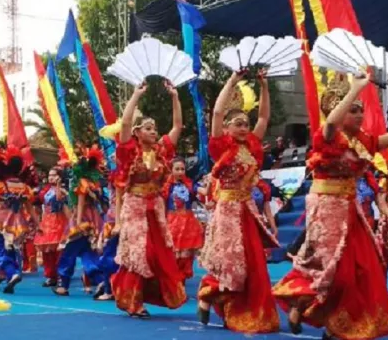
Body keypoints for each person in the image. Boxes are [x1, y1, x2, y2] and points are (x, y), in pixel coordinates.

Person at [273, 72, 388, 340]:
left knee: (363, 270)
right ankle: (301, 305)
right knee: (332, 270)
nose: (359, 115)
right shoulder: (327, 136)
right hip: (327, 209)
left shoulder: (364, 140)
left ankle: (339, 327)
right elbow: (332, 123)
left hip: (351, 209)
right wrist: (354, 90)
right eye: (353, 109)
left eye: (361, 110)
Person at [197, 70, 280, 333]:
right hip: (227, 211)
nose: (244, 127)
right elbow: (218, 113)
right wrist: (232, 80)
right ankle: (209, 293)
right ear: (227, 129)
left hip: (247, 210)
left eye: (246, 123)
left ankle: (246, 309)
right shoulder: (220, 146)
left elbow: (265, 116)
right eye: (239, 124)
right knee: (231, 261)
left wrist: (264, 85)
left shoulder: (252, 146)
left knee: (253, 262)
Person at [111, 80, 187, 318]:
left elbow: (177, 126)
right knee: (138, 253)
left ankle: (139, 293)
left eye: (155, 129)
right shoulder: (128, 152)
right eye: (148, 128)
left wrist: (175, 97)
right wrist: (136, 95)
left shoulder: (161, 151)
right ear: (136, 133)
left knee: (157, 253)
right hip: (134, 206)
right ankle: (133, 301)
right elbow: (124, 122)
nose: (154, 132)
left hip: (155, 208)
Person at [0, 146, 38, 294]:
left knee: (0, 248)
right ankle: (6, 275)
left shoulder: (0, 185)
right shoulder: (23, 186)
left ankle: (12, 273)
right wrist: (37, 223)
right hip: (18, 221)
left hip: (1, 220)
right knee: (13, 248)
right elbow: (30, 206)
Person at [52, 145, 105, 297]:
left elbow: (80, 203)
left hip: (82, 219)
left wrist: (78, 223)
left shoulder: (81, 182)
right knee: (87, 252)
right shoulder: (94, 184)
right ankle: (100, 280)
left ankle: (63, 285)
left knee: (69, 252)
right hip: (94, 219)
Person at [162, 157, 204, 280]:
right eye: (177, 169)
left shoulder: (190, 184)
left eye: (182, 169)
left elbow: (203, 191)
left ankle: (181, 283)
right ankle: (174, 283)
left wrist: (212, 182)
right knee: (173, 255)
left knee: (186, 255)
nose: (180, 172)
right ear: (171, 170)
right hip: (172, 223)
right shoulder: (166, 187)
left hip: (187, 224)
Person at [34, 166, 70, 287]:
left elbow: (59, 200)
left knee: (59, 251)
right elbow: (41, 205)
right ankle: (50, 275)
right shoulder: (45, 190)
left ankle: (61, 275)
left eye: (54, 175)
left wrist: (59, 186)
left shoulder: (64, 191)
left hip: (59, 220)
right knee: (47, 251)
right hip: (47, 221)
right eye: (50, 175)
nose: (51, 177)